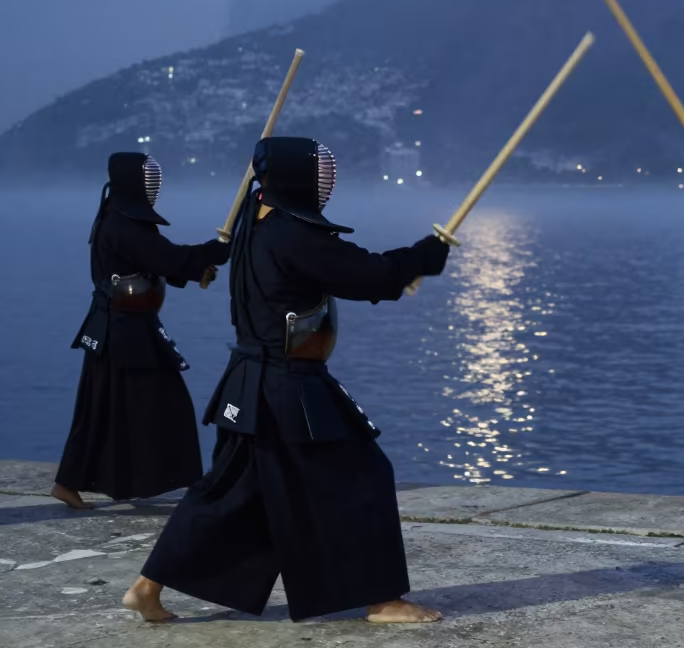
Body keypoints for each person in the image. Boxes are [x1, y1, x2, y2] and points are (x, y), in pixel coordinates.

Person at [124, 136, 451, 625]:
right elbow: (367, 275)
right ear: (299, 179)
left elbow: (354, 269)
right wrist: (424, 254)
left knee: (230, 494)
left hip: (249, 385)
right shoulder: (293, 235)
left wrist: (401, 268)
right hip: (288, 389)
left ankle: (147, 588)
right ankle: (383, 601)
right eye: (321, 173)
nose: (328, 182)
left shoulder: (254, 219)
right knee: (364, 475)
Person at [54, 152, 230, 509]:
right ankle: (185, 481)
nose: (154, 188)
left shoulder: (119, 219)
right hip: (122, 330)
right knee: (164, 401)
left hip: (122, 326)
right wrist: (216, 251)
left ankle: (72, 483)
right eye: (148, 181)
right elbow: (165, 258)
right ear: (133, 184)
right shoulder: (122, 225)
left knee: (102, 408)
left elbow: (153, 260)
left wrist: (195, 268)